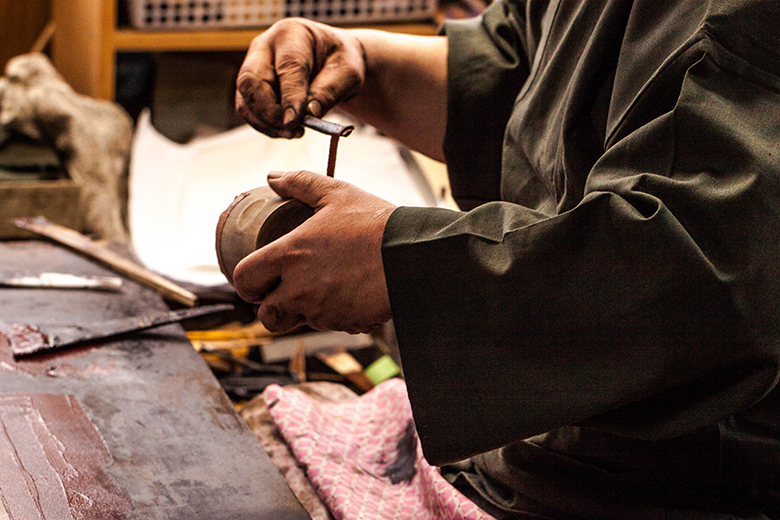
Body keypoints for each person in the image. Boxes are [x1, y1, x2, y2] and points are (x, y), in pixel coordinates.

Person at [232, 1, 780, 518]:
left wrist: (399, 261)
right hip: (527, 452)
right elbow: (521, 81)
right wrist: (362, 63)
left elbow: (695, 273)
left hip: (654, 491)